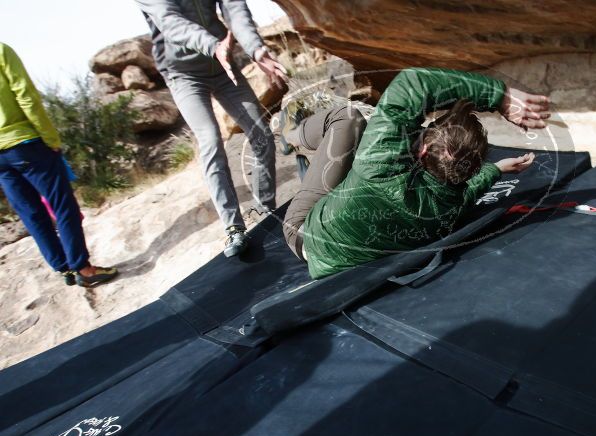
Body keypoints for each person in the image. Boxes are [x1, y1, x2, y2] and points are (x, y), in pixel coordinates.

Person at [281, 67, 550, 278]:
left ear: (423, 150)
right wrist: (496, 169)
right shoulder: (449, 206)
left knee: (349, 119)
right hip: (352, 247)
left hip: (306, 235)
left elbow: (413, 83)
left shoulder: (379, 163)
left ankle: (290, 135)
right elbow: (469, 191)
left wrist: (499, 95)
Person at [136, 0, 288, 257]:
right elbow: (171, 23)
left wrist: (257, 50)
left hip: (222, 64)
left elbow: (235, 10)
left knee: (261, 133)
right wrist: (212, 45)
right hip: (183, 75)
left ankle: (266, 212)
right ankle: (234, 228)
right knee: (210, 140)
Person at [0, 42, 118, 288]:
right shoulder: (1, 50)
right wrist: (50, 137)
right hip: (25, 143)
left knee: (30, 213)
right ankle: (83, 269)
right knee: (63, 205)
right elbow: (25, 94)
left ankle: (63, 268)